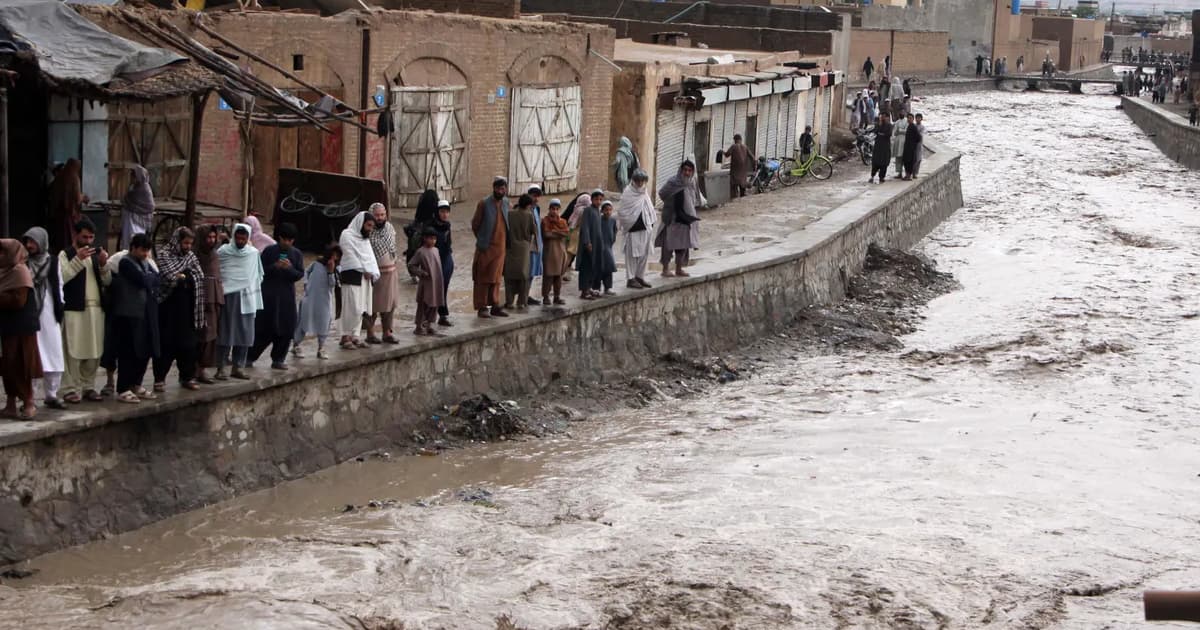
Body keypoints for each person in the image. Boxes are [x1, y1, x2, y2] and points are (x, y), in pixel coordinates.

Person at [58, 219, 109, 403]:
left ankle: (88, 386)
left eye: (91, 237)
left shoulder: (95, 254)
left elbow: (107, 281)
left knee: (94, 351)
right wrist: (77, 260)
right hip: (75, 309)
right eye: (84, 236)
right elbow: (62, 278)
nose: (88, 241)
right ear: (76, 235)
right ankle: (70, 388)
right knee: (73, 350)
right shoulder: (66, 254)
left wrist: (103, 265)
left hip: (96, 309)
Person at [152, 227, 205, 392]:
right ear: (177, 241)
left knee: (188, 345)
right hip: (167, 308)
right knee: (166, 345)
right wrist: (184, 276)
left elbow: (199, 276)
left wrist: (184, 277)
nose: (188, 246)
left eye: (190, 243)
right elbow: (169, 277)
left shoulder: (190, 257)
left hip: (187, 309)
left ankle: (187, 377)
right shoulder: (164, 255)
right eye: (185, 243)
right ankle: (159, 379)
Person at [110, 234, 160, 404]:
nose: (145, 254)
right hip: (129, 315)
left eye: (147, 250)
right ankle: (123, 388)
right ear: (134, 248)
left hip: (145, 314)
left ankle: (136, 384)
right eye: (142, 250)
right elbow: (143, 280)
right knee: (128, 352)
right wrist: (149, 279)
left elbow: (155, 279)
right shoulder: (125, 262)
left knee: (144, 351)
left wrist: (150, 279)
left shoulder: (146, 263)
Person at [249, 223, 303, 371]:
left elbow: (299, 274)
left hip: (287, 298)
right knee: (264, 328)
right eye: (284, 240)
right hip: (269, 296)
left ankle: (279, 359)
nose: (287, 243)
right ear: (279, 238)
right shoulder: (269, 251)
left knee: (286, 328)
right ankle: (250, 356)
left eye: (290, 241)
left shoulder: (296, 254)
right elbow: (260, 271)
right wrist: (275, 267)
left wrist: (289, 269)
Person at [21, 227, 65, 410]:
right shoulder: (22, 262)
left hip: (48, 312)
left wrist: (60, 307)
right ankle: (29, 395)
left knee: (53, 351)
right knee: (32, 354)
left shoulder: (52, 261)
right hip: (30, 313)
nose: (29, 245)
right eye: (27, 242)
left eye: (33, 241)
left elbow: (59, 284)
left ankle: (51, 394)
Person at [0, 239, 43, 418]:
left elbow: (19, 300)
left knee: (21, 364)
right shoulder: (4, 272)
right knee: (7, 365)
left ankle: (29, 402)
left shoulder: (20, 271)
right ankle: (10, 403)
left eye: (3, 252)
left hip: (22, 327)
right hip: (7, 326)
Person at [216, 223, 264, 380]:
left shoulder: (253, 253)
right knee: (225, 333)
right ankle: (221, 367)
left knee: (244, 334)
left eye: (244, 238)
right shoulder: (223, 251)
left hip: (247, 298)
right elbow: (219, 271)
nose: (240, 241)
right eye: (238, 237)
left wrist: (248, 284)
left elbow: (258, 274)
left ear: (248, 238)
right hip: (229, 297)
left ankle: (238, 367)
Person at [338, 211, 380, 348]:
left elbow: (370, 258)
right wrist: (364, 269)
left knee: (362, 307)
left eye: (372, 226)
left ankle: (355, 336)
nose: (370, 229)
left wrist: (371, 271)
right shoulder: (347, 235)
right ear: (361, 223)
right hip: (351, 276)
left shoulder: (365, 239)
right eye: (368, 225)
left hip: (365, 278)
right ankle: (345, 337)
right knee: (351, 307)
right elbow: (350, 255)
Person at [471, 177, 510, 319]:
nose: (502, 191)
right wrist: (483, 240)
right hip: (486, 247)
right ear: (494, 188)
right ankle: (482, 307)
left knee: (496, 278)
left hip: (501, 248)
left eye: (504, 188)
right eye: (499, 188)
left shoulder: (506, 203)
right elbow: (475, 224)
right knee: (483, 277)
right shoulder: (484, 204)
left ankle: (495, 305)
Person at [656, 160, 702, 278]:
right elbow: (662, 193)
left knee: (683, 244)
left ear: (692, 172)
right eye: (685, 170)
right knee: (668, 244)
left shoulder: (692, 182)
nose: (686, 173)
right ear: (681, 170)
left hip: (685, 219)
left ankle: (679, 268)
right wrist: (672, 201)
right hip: (672, 218)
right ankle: (665, 269)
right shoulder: (673, 182)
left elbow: (694, 198)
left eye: (689, 170)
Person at [293, 244, 340, 360]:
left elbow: (332, 284)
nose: (334, 258)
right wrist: (306, 283)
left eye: (337, 256)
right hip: (310, 298)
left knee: (324, 323)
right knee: (304, 322)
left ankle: (321, 348)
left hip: (324, 301)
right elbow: (306, 272)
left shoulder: (337, 270)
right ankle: (296, 345)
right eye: (333, 255)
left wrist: (330, 271)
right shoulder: (317, 264)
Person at [364, 202, 400, 345]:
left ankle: (387, 332)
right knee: (372, 306)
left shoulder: (390, 228)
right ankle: (370, 333)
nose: (379, 218)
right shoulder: (367, 232)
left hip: (391, 273)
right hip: (375, 276)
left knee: (390, 305)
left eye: (382, 215)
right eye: (376, 215)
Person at [193, 225, 224, 384]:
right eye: (208, 237)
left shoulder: (215, 255)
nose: (211, 240)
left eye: (213, 237)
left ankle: (202, 369)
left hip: (214, 302)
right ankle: (193, 370)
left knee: (210, 337)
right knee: (199, 336)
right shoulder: (194, 256)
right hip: (199, 302)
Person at [616, 169, 655, 290]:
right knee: (632, 256)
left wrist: (651, 222)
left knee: (643, 254)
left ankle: (639, 276)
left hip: (645, 228)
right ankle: (631, 278)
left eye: (642, 180)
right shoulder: (628, 193)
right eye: (638, 180)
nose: (640, 183)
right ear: (633, 180)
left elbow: (649, 208)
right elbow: (622, 212)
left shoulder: (644, 192)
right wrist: (630, 222)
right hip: (633, 229)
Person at [503, 193, 538, 310]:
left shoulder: (510, 214)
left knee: (509, 276)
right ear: (528, 205)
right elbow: (534, 231)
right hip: (524, 249)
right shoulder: (529, 215)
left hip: (510, 247)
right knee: (524, 276)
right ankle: (521, 302)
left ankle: (509, 302)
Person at [407, 226, 445, 336]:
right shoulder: (420, 252)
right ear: (424, 238)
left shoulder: (436, 250)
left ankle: (430, 324)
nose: (433, 241)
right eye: (430, 238)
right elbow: (411, 265)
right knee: (424, 305)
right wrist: (421, 273)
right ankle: (419, 326)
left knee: (435, 304)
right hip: (426, 283)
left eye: (434, 238)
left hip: (437, 282)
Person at [48, 158, 87, 252]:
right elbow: (77, 199)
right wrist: (84, 197)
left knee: (61, 239)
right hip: (69, 214)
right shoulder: (74, 178)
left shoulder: (59, 178)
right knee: (70, 237)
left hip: (58, 214)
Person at [575, 188, 605, 300]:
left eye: (600, 199)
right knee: (586, 267)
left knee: (594, 267)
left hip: (597, 244)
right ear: (592, 199)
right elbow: (585, 227)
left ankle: (590, 288)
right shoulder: (588, 210)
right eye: (596, 199)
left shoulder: (597, 211)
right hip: (589, 244)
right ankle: (584, 291)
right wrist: (587, 242)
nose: (598, 202)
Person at [540, 199, 569, 305]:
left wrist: (555, 231)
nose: (555, 211)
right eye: (553, 209)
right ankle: (546, 296)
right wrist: (559, 233)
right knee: (548, 276)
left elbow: (566, 233)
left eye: (557, 209)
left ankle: (557, 296)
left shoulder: (562, 221)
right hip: (549, 252)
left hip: (560, 252)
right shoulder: (545, 221)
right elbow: (547, 234)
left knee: (558, 276)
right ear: (549, 209)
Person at [119, 165, 154, 251]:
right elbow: (127, 199)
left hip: (139, 220)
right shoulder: (133, 187)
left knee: (136, 239)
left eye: (133, 176)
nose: (132, 178)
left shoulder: (144, 188)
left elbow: (149, 206)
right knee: (129, 239)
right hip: (131, 217)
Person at [431, 200, 455, 327]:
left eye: (447, 212)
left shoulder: (447, 226)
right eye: (442, 212)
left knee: (443, 288)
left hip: (446, 260)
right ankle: (429, 317)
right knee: (433, 289)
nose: (445, 215)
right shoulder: (431, 226)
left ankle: (443, 315)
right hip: (435, 260)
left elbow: (448, 243)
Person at [526, 185, 544, 306]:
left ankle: (526, 295)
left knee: (532, 272)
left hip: (537, 245)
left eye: (537, 196)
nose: (536, 199)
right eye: (534, 196)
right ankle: (523, 296)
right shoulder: (525, 209)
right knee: (526, 272)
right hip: (528, 246)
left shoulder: (536, 209)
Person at [724, 134, 754, 199]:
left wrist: (722, 152)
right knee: (742, 183)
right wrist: (754, 166)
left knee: (734, 184)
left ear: (735, 140)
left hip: (735, 169)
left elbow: (727, 154)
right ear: (740, 140)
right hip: (743, 169)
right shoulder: (745, 147)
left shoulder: (733, 146)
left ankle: (734, 198)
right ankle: (742, 196)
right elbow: (752, 157)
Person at [599, 201, 618, 296]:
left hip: (608, 246)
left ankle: (608, 287)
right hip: (599, 247)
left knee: (609, 267)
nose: (608, 212)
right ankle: (596, 288)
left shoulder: (613, 220)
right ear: (602, 211)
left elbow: (615, 231)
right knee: (599, 267)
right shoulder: (598, 219)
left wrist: (612, 240)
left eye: (610, 210)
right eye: (606, 210)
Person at [869, 112, 894, 184]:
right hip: (878, 145)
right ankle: (872, 176)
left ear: (887, 118)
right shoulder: (878, 124)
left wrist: (881, 133)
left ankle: (881, 177)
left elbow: (888, 134)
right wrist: (879, 128)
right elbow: (875, 131)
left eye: (884, 117)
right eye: (881, 117)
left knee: (884, 162)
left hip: (885, 146)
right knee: (875, 161)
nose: (882, 118)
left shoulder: (889, 125)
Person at [892, 113, 910, 180]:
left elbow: (907, 130)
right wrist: (899, 131)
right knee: (898, 158)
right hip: (898, 140)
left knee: (905, 157)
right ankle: (899, 173)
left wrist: (900, 130)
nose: (901, 113)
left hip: (904, 140)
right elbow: (894, 132)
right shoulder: (897, 122)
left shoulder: (907, 121)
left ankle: (906, 173)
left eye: (902, 112)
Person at [909, 113, 926, 178]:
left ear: (921, 119)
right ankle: (912, 172)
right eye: (917, 118)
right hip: (913, 144)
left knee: (919, 159)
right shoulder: (913, 126)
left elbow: (921, 135)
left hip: (919, 144)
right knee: (914, 159)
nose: (918, 119)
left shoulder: (922, 127)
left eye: (919, 118)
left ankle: (915, 173)